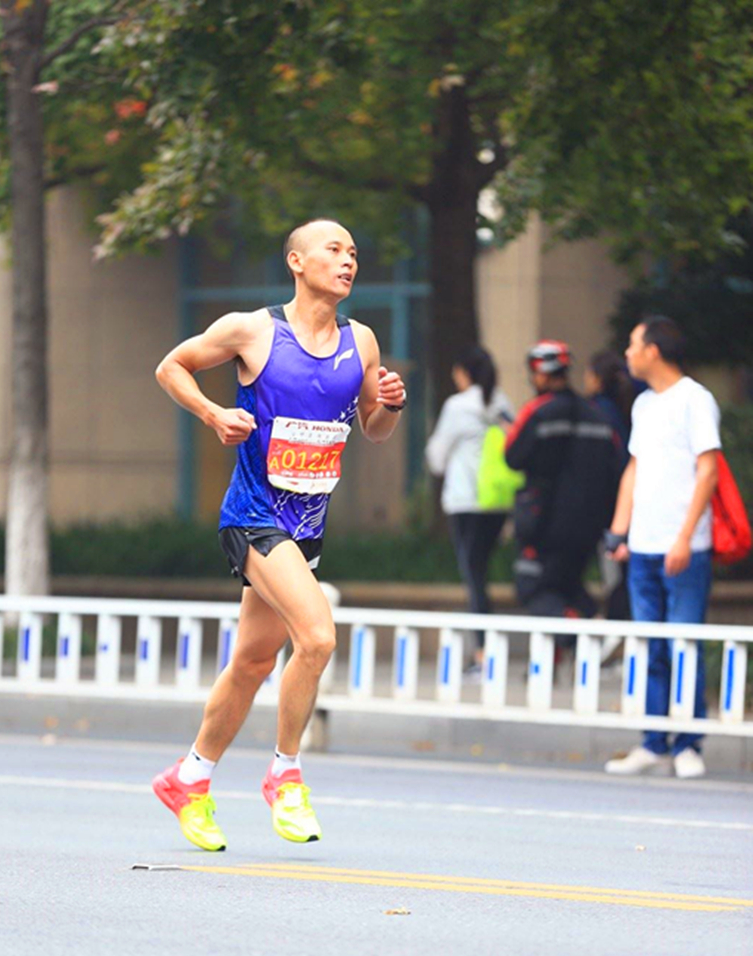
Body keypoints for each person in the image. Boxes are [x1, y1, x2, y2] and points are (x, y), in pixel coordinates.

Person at [151, 219, 406, 849]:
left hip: (307, 527)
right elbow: (171, 367)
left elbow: (372, 429)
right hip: (254, 517)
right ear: (297, 261)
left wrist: (390, 407)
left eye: (354, 252)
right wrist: (213, 413)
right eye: (334, 250)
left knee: (253, 661)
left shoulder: (362, 341)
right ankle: (285, 776)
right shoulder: (254, 331)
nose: (348, 261)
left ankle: (188, 778)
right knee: (316, 637)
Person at [604, 316, 719, 779]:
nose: (628, 353)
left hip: (684, 547)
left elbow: (708, 470)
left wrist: (685, 537)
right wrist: (620, 532)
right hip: (644, 546)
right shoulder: (644, 404)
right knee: (650, 644)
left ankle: (688, 744)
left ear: (653, 350)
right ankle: (653, 742)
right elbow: (634, 469)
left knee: (683, 643)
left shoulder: (695, 399)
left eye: (633, 345)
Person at [505, 340, 620, 630]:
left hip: (544, 523)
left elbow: (512, 456)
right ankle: (594, 626)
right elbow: (614, 468)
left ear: (541, 373)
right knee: (568, 584)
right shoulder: (597, 416)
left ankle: (578, 633)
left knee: (532, 587)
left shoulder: (538, 412)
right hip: (590, 525)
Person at [425, 345, 514, 667]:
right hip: (497, 500)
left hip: (465, 501)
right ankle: (485, 649)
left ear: (464, 372)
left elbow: (437, 456)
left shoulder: (457, 406)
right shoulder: (502, 402)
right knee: (481, 571)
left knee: (473, 576)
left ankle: (483, 653)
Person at [584, 350, 635, 622]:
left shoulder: (596, 411)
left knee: (615, 571)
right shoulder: (626, 408)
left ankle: (615, 624)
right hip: (622, 501)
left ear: (596, 378)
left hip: (608, 505)